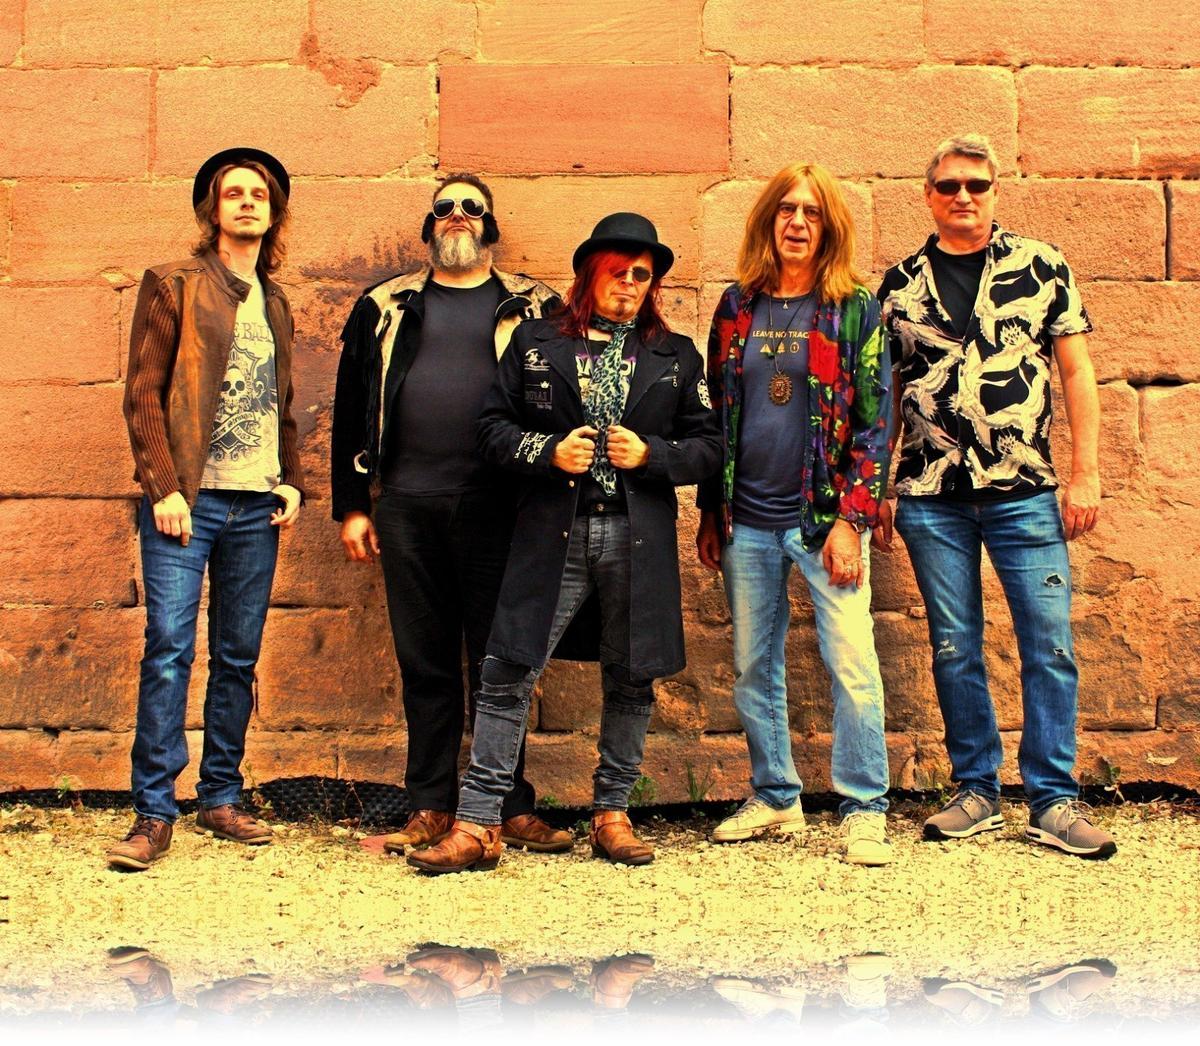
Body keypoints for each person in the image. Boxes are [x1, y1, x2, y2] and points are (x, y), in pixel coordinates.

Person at [407, 213, 721, 873]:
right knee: (507, 669)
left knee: (632, 675)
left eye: (642, 275)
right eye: (618, 271)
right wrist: (547, 450)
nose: (630, 284)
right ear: (589, 274)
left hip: (637, 535)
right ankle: (479, 822)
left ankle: (612, 814)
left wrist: (653, 454)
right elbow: (490, 429)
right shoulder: (536, 341)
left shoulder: (675, 355)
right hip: (552, 531)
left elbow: (711, 447)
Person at [876, 133, 1115, 859]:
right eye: (949, 186)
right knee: (954, 646)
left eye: (976, 185)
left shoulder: (1040, 267)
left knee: (1049, 644)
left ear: (994, 193)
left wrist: (1086, 473)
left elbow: (1076, 373)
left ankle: (1053, 799)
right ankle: (976, 790)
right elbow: (887, 393)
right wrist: (878, 485)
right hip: (930, 495)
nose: (963, 197)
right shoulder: (899, 285)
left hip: (1024, 490)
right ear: (928, 196)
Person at [331, 175, 570, 856]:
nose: (458, 216)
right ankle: (430, 804)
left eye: (472, 207)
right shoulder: (384, 306)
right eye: (445, 208)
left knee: (504, 661)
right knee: (425, 661)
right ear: (429, 224)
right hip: (408, 506)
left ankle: (508, 805)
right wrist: (352, 506)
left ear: (489, 225)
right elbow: (351, 405)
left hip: (502, 507)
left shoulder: (534, 306)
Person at [696, 163, 896, 866]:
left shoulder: (852, 308)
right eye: (786, 209)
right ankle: (777, 795)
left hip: (822, 521)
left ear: (829, 226)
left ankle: (864, 807)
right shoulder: (737, 306)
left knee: (851, 663)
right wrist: (711, 511)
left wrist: (851, 522)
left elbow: (876, 423)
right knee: (753, 666)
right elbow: (717, 418)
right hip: (747, 520)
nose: (798, 222)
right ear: (767, 220)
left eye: (812, 212)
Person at [110, 147, 303, 870]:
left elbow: (282, 403)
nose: (247, 202)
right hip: (187, 503)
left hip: (256, 504)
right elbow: (143, 392)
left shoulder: (275, 302)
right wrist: (164, 487)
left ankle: (221, 796)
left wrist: (290, 480)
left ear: (273, 213)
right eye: (234, 193)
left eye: (260, 194)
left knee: (237, 655)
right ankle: (154, 813)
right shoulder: (175, 284)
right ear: (213, 210)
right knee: (169, 650)